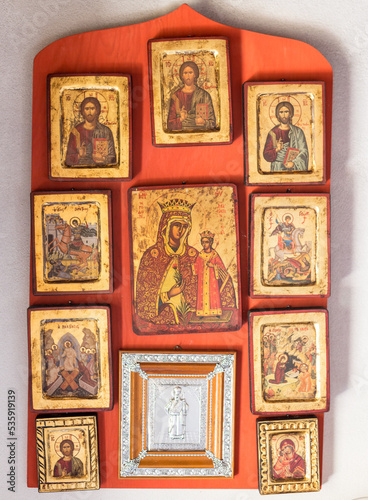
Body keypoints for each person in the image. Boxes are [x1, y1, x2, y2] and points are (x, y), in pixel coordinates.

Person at [135, 198, 199, 325]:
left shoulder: (193, 255)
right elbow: (143, 300)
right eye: (177, 225)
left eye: (184, 226)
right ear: (166, 226)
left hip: (190, 316)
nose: (180, 230)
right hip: (162, 315)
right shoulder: (152, 256)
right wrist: (168, 294)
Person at [191, 230, 235, 317]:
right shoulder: (200, 255)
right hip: (202, 281)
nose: (204, 244)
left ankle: (215, 312)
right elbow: (196, 267)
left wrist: (213, 265)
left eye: (206, 242)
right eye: (203, 242)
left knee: (213, 295)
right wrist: (191, 265)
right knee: (202, 295)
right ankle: (202, 313)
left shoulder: (214, 254)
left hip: (212, 281)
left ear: (210, 243)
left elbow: (221, 267)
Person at [65, 96, 116, 166]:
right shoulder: (76, 132)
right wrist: (79, 156)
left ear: (97, 111)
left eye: (92, 109)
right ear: (82, 111)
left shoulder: (106, 131)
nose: (89, 112)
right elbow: (68, 160)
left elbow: (113, 158)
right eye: (86, 109)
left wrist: (103, 159)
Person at [167, 61, 216, 131]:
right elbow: (170, 124)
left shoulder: (204, 95)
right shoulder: (176, 96)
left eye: (190, 72)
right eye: (185, 73)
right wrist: (181, 119)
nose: (188, 76)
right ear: (182, 76)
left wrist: (204, 122)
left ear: (195, 74)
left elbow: (212, 123)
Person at [263, 101, 308, 171]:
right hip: (277, 168)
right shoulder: (273, 133)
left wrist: (294, 163)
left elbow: (304, 151)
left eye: (286, 112)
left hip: (293, 168)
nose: (284, 115)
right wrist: (277, 149)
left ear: (291, 113)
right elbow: (266, 154)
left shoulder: (298, 132)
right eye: (281, 112)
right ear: (278, 114)